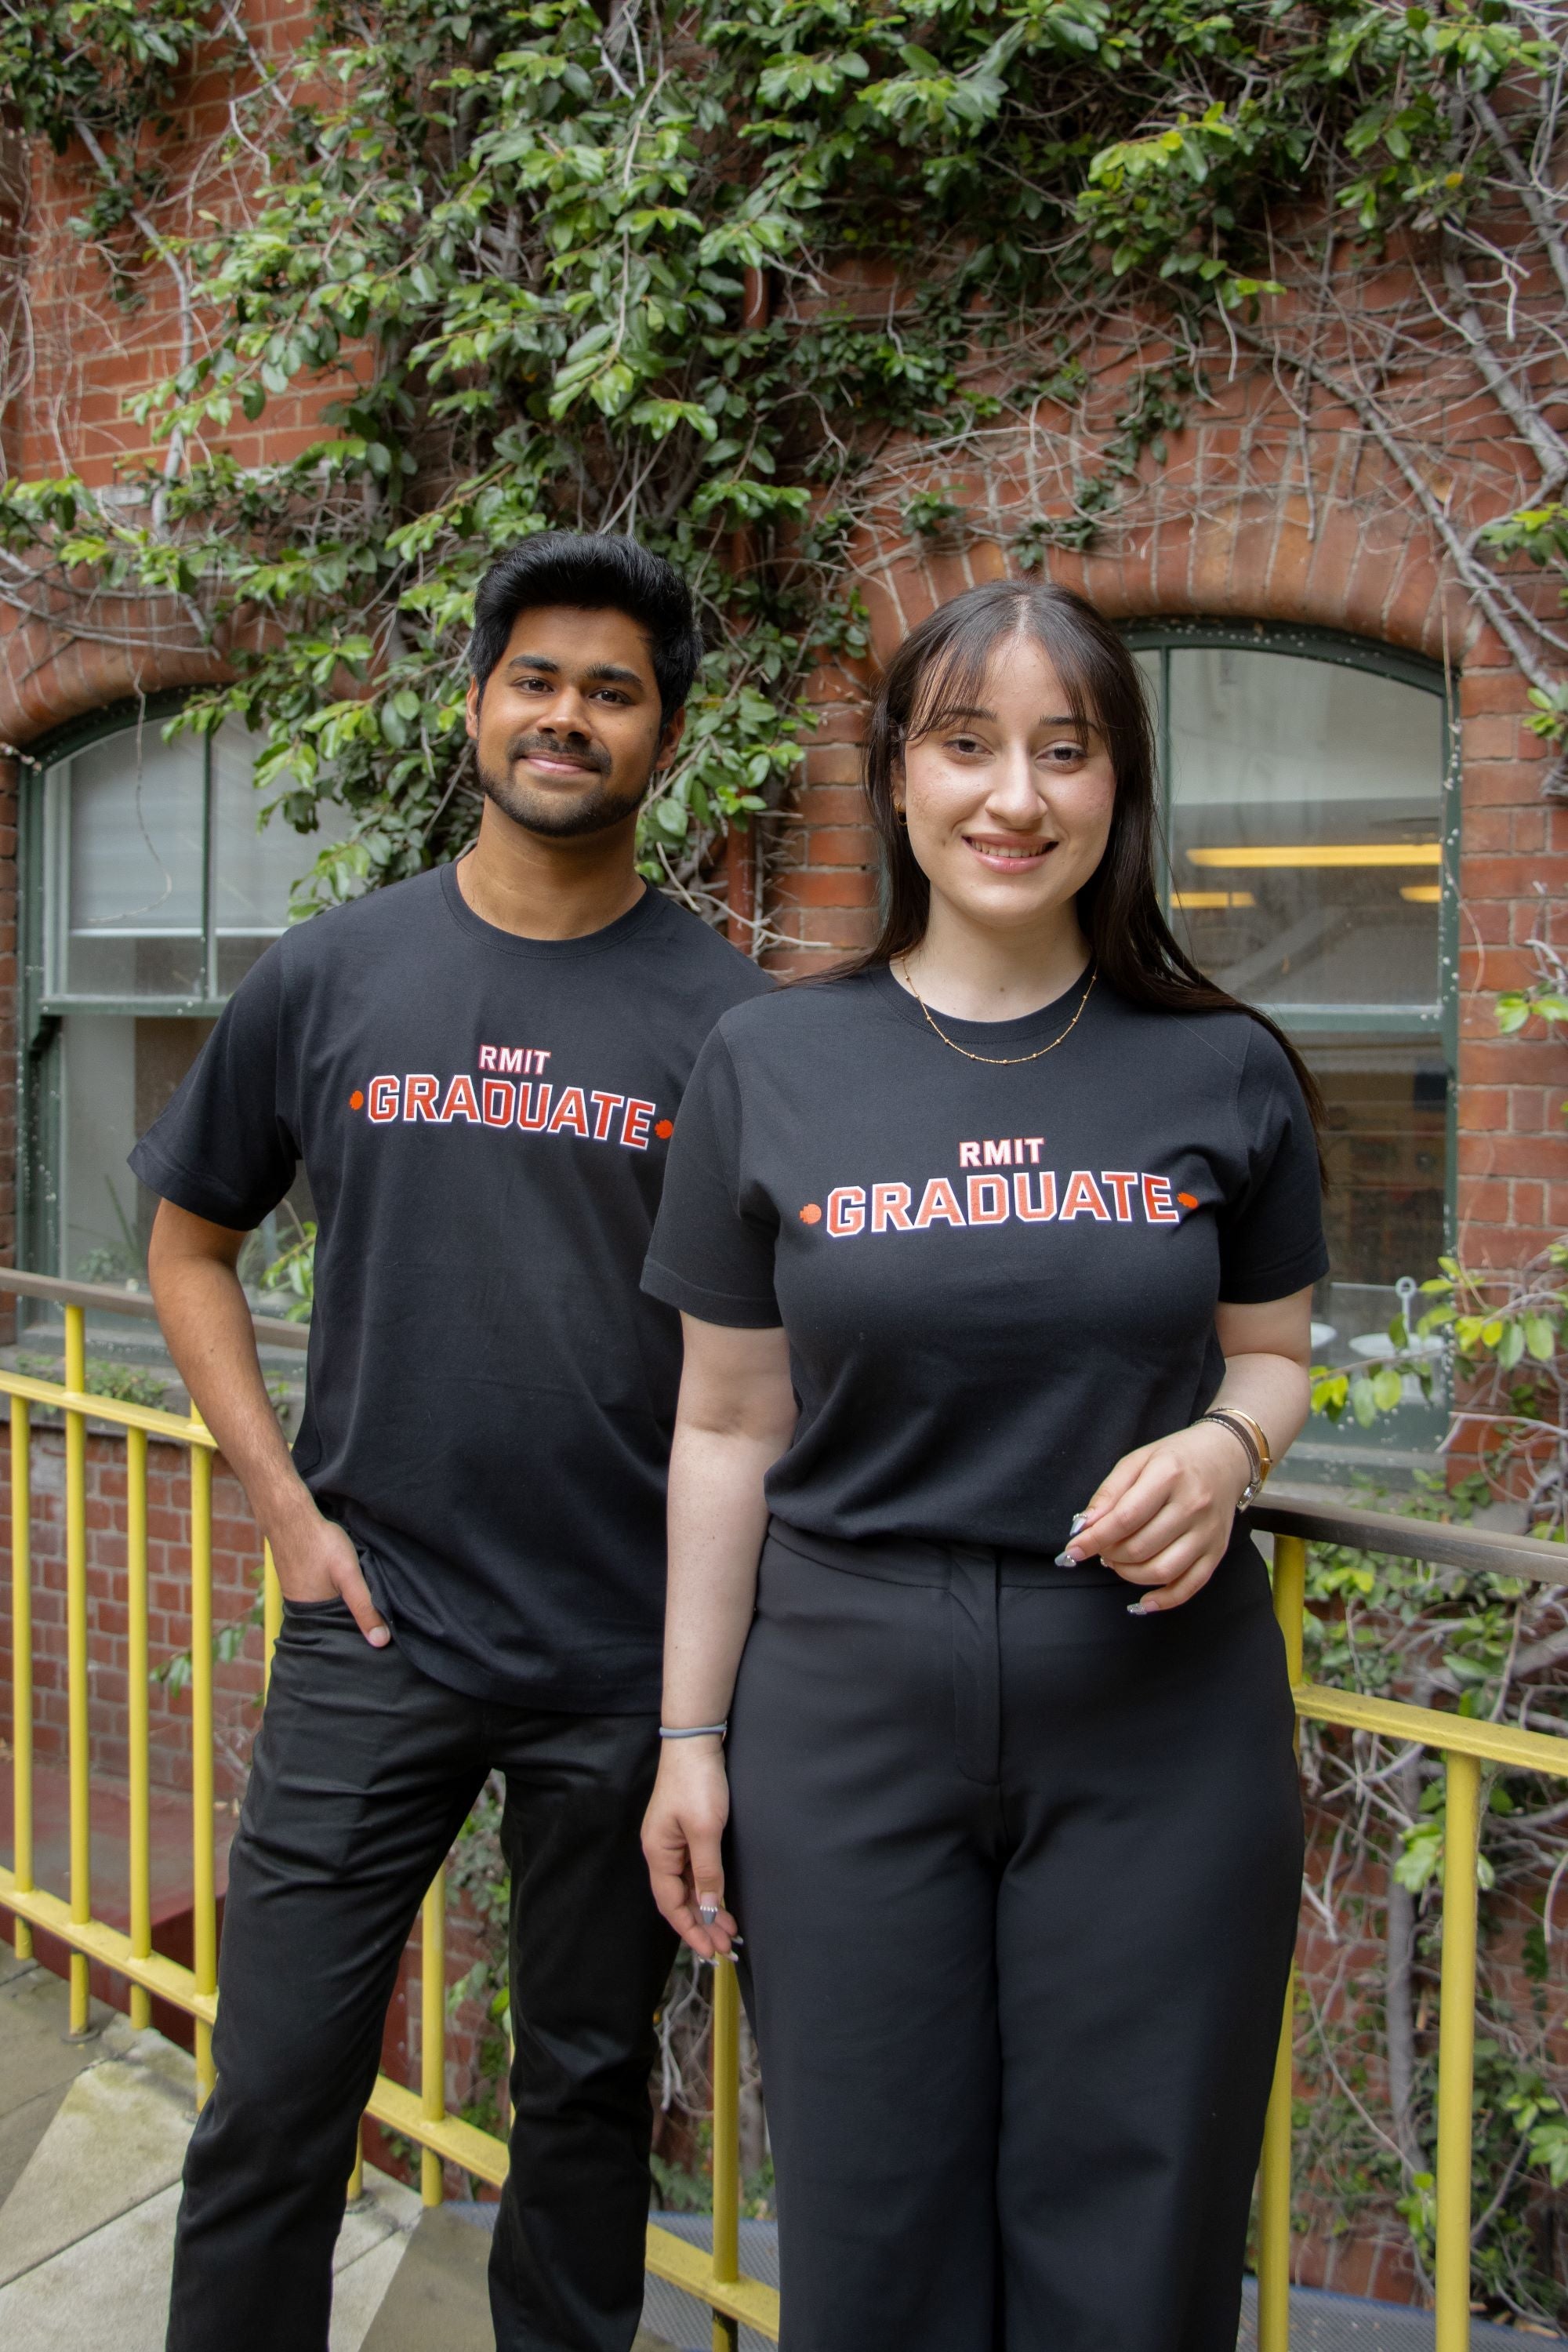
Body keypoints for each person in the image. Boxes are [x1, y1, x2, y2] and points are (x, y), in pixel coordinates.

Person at [639, 578, 1327, 2352]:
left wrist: (1226, 1445)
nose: (1014, 796)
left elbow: (1271, 1357)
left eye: (1062, 752)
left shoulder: (1225, 1065)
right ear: (896, 777)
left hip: (1156, 1702)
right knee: (872, 2234)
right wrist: (690, 1739)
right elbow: (726, 1424)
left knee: (1143, 2221)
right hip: (851, 1695)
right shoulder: (768, 1060)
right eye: (966, 745)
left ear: (1119, 789)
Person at [134, 532, 772, 2352]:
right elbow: (190, 1241)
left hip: (622, 1661)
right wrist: (281, 1504)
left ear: (666, 737)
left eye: (614, 691)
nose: (567, 716)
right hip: (373, 1620)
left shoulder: (731, 1024)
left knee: (580, 2105)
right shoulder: (337, 973)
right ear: (477, 700)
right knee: (274, 2095)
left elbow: (776, 1369)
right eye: (537, 679)